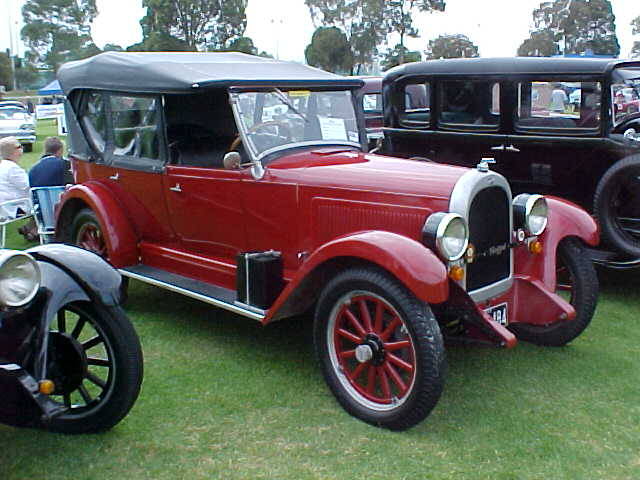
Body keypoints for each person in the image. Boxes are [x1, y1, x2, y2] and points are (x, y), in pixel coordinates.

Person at [0, 136, 30, 219]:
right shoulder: (12, 168)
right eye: (19, 146)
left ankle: (30, 228)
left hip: (5, 207)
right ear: (13, 151)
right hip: (15, 207)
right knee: (45, 200)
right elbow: (28, 186)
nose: (22, 148)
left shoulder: (3, 166)